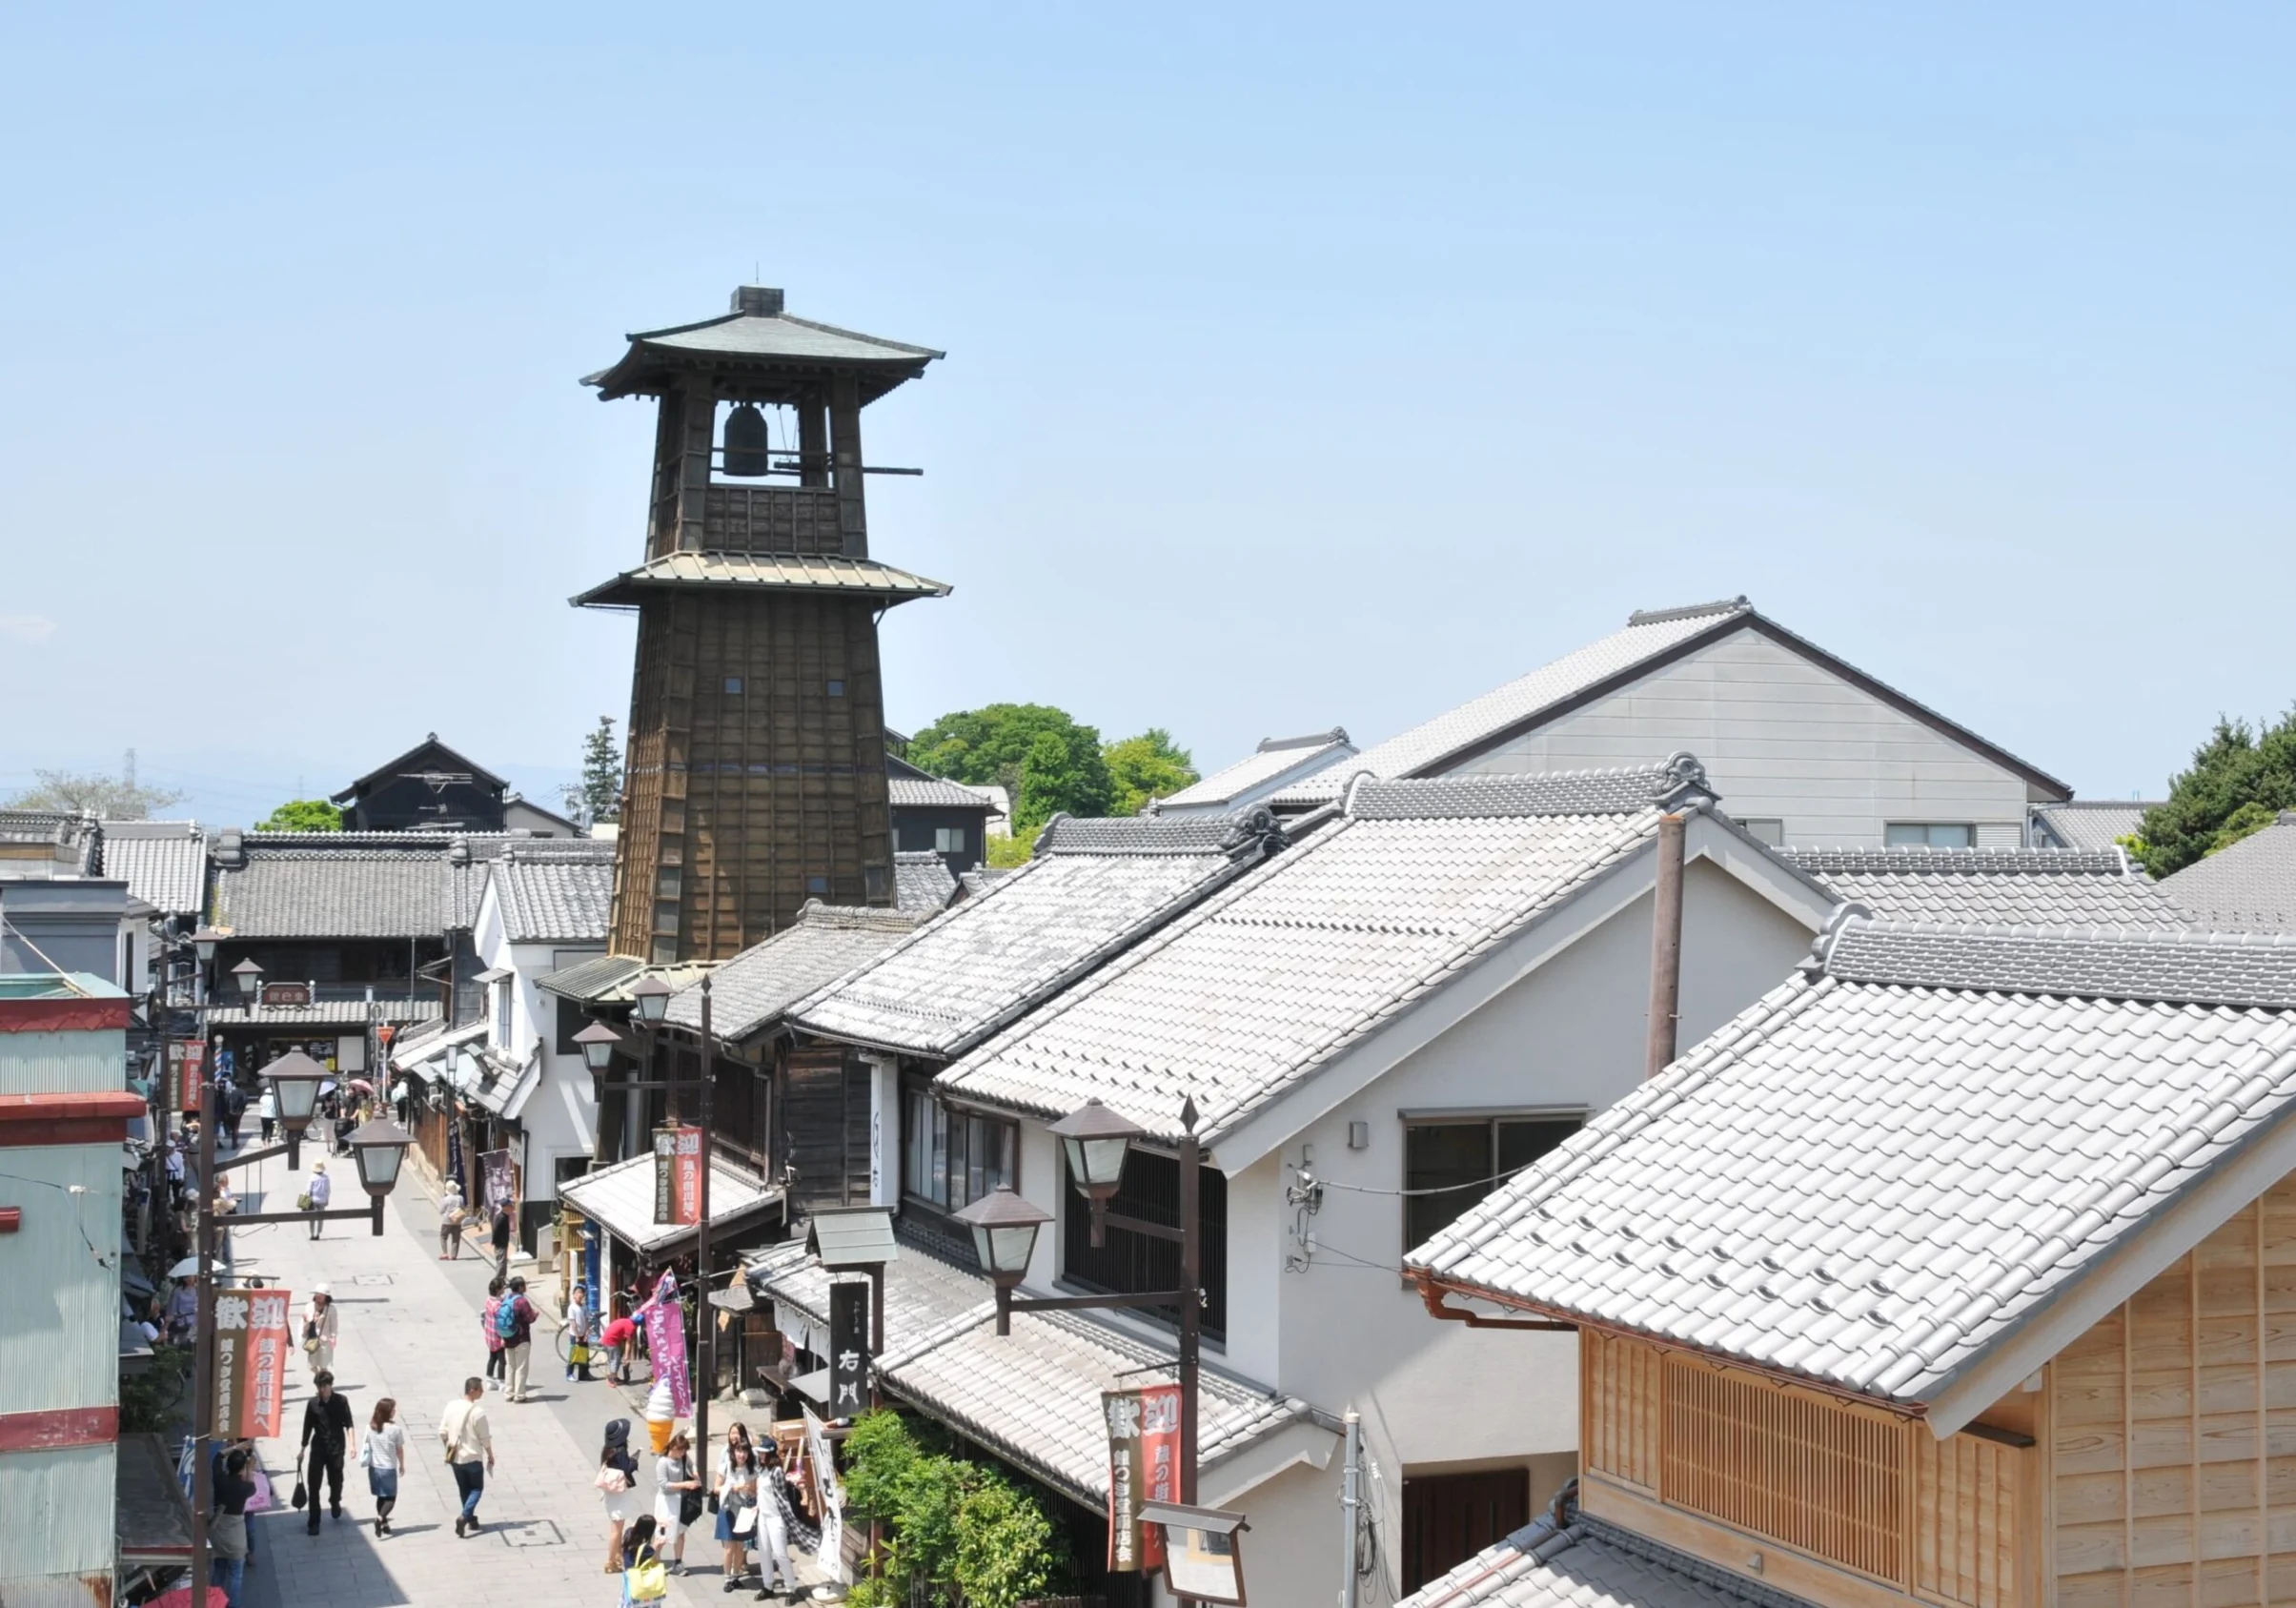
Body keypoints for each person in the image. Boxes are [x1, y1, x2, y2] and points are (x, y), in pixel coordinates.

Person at [298, 1368, 355, 1534]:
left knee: (336, 1480)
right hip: (318, 1448)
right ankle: (314, 1521)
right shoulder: (313, 1404)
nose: (321, 1390)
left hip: (337, 1448)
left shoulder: (341, 1401)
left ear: (330, 1385)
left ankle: (335, 1500)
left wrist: (352, 1445)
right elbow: (307, 1427)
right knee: (313, 1484)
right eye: (319, 1386)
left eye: (324, 1386)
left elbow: (349, 1424)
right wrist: (302, 1448)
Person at [438, 1375, 494, 1537]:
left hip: (455, 1457)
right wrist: (490, 1455)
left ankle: (470, 1519)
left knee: (464, 1488)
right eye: (480, 1389)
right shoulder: (478, 1412)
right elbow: (485, 1438)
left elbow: (442, 1431)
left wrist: (449, 1447)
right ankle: (465, 1516)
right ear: (472, 1390)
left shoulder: (451, 1406)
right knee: (477, 1488)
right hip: (473, 1457)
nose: (482, 1392)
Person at [753, 1442, 801, 1601]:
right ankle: (768, 1586)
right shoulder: (761, 1469)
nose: (760, 1456)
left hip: (775, 1517)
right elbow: (761, 1492)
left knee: (780, 1553)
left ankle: (791, 1588)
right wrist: (757, 1507)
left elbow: (781, 1498)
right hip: (763, 1516)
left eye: (763, 1453)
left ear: (770, 1454)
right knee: (764, 1552)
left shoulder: (777, 1471)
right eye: (759, 1453)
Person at [210, 1445, 255, 1603]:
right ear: (242, 1469)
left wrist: (238, 1447)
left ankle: (214, 1604)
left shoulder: (219, 1479)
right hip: (235, 1535)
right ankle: (232, 1605)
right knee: (236, 1574)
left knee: (219, 1570)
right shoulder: (245, 1487)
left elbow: (217, 1457)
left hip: (218, 1532)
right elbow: (252, 1486)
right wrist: (250, 1467)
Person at [598, 1417, 643, 1575]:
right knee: (617, 1529)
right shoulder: (621, 1451)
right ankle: (610, 1562)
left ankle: (617, 1555)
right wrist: (634, 1461)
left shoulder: (607, 1450)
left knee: (615, 1525)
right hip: (619, 1494)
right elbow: (627, 1469)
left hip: (610, 1493)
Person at [654, 1431, 701, 1576]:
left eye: (684, 1451)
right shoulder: (663, 1462)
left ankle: (678, 1562)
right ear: (673, 1447)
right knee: (662, 1534)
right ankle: (654, 1561)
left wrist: (695, 1475)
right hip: (666, 1502)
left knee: (680, 1532)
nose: (682, 1454)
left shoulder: (684, 1458)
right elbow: (664, 1485)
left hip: (679, 1500)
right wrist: (685, 1484)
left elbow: (692, 1465)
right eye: (680, 1451)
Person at [716, 1435, 761, 1589]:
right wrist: (734, 1488)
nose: (742, 1455)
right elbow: (716, 1488)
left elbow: (755, 1491)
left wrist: (750, 1491)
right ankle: (727, 1578)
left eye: (745, 1452)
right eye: (739, 1451)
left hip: (744, 1510)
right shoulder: (726, 1466)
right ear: (734, 1452)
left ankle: (736, 1576)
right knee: (729, 1548)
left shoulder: (752, 1470)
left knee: (740, 1547)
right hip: (728, 1508)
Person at [362, 1396, 407, 1537]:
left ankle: (384, 1523)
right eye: (393, 1409)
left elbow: (366, 1444)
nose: (395, 1411)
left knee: (381, 1496)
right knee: (390, 1498)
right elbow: (399, 1449)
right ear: (387, 1412)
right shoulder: (394, 1429)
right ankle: (380, 1518)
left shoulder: (370, 1427)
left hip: (374, 1468)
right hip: (388, 1468)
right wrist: (402, 1464)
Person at [498, 1275, 538, 1402]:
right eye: (524, 1285)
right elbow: (529, 1318)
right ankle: (519, 1395)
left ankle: (508, 1393)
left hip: (508, 1337)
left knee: (510, 1366)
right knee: (521, 1367)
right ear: (520, 1287)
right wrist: (535, 1314)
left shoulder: (507, 1299)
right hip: (521, 1338)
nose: (525, 1287)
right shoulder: (522, 1301)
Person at [303, 1284, 338, 1377]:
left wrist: (333, 1337)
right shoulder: (309, 1306)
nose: (318, 1297)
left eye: (320, 1295)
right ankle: (321, 1378)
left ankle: (324, 1383)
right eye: (316, 1295)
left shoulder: (331, 1309)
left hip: (324, 1340)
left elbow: (334, 1324)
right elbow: (305, 1321)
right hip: (312, 1339)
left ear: (326, 1297)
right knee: (311, 1365)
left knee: (323, 1365)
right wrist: (309, 1319)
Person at [600, 1311, 640, 1386]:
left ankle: (614, 1377)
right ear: (637, 1324)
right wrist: (627, 1357)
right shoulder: (631, 1327)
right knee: (615, 1360)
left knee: (613, 1359)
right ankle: (611, 1380)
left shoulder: (626, 1321)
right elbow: (628, 1343)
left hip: (608, 1339)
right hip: (611, 1341)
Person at [482, 1278, 508, 1390]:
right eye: (502, 1287)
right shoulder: (497, 1305)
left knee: (492, 1358)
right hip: (497, 1336)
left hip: (489, 1335)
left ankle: (489, 1379)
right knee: (502, 1360)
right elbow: (500, 1322)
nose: (504, 1289)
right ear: (498, 1290)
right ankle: (501, 1381)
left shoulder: (489, 1300)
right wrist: (503, 1337)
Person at [564, 1281, 593, 1381]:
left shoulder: (584, 1307)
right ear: (573, 1295)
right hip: (574, 1335)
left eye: (581, 1293)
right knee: (574, 1354)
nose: (579, 1295)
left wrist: (586, 1333)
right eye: (577, 1292)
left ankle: (584, 1374)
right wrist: (577, 1336)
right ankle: (569, 1374)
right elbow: (573, 1323)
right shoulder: (572, 1308)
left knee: (584, 1354)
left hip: (583, 1334)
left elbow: (587, 1320)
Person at [437, 1178, 466, 1260]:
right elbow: (463, 1208)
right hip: (457, 1220)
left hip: (447, 1220)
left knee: (443, 1236)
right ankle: (454, 1255)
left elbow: (441, 1210)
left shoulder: (445, 1199)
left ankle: (445, 1253)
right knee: (456, 1238)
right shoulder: (460, 1198)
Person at [303, 1158, 331, 1239]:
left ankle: (312, 1234)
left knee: (312, 1218)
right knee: (320, 1218)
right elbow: (328, 1190)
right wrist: (327, 1199)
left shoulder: (312, 1177)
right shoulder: (326, 1178)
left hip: (313, 1200)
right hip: (322, 1200)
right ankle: (318, 1233)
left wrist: (304, 1201)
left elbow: (308, 1190)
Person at [490, 1202, 513, 1279]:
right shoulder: (501, 1217)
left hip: (503, 1242)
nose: (512, 1208)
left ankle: (502, 1278)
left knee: (503, 1261)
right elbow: (496, 1230)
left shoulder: (505, 1216)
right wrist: (494, 1240)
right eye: (510, 1206)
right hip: (500, 1243)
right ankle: (498, 1279)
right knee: (501, 1261)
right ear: (505, 1207)